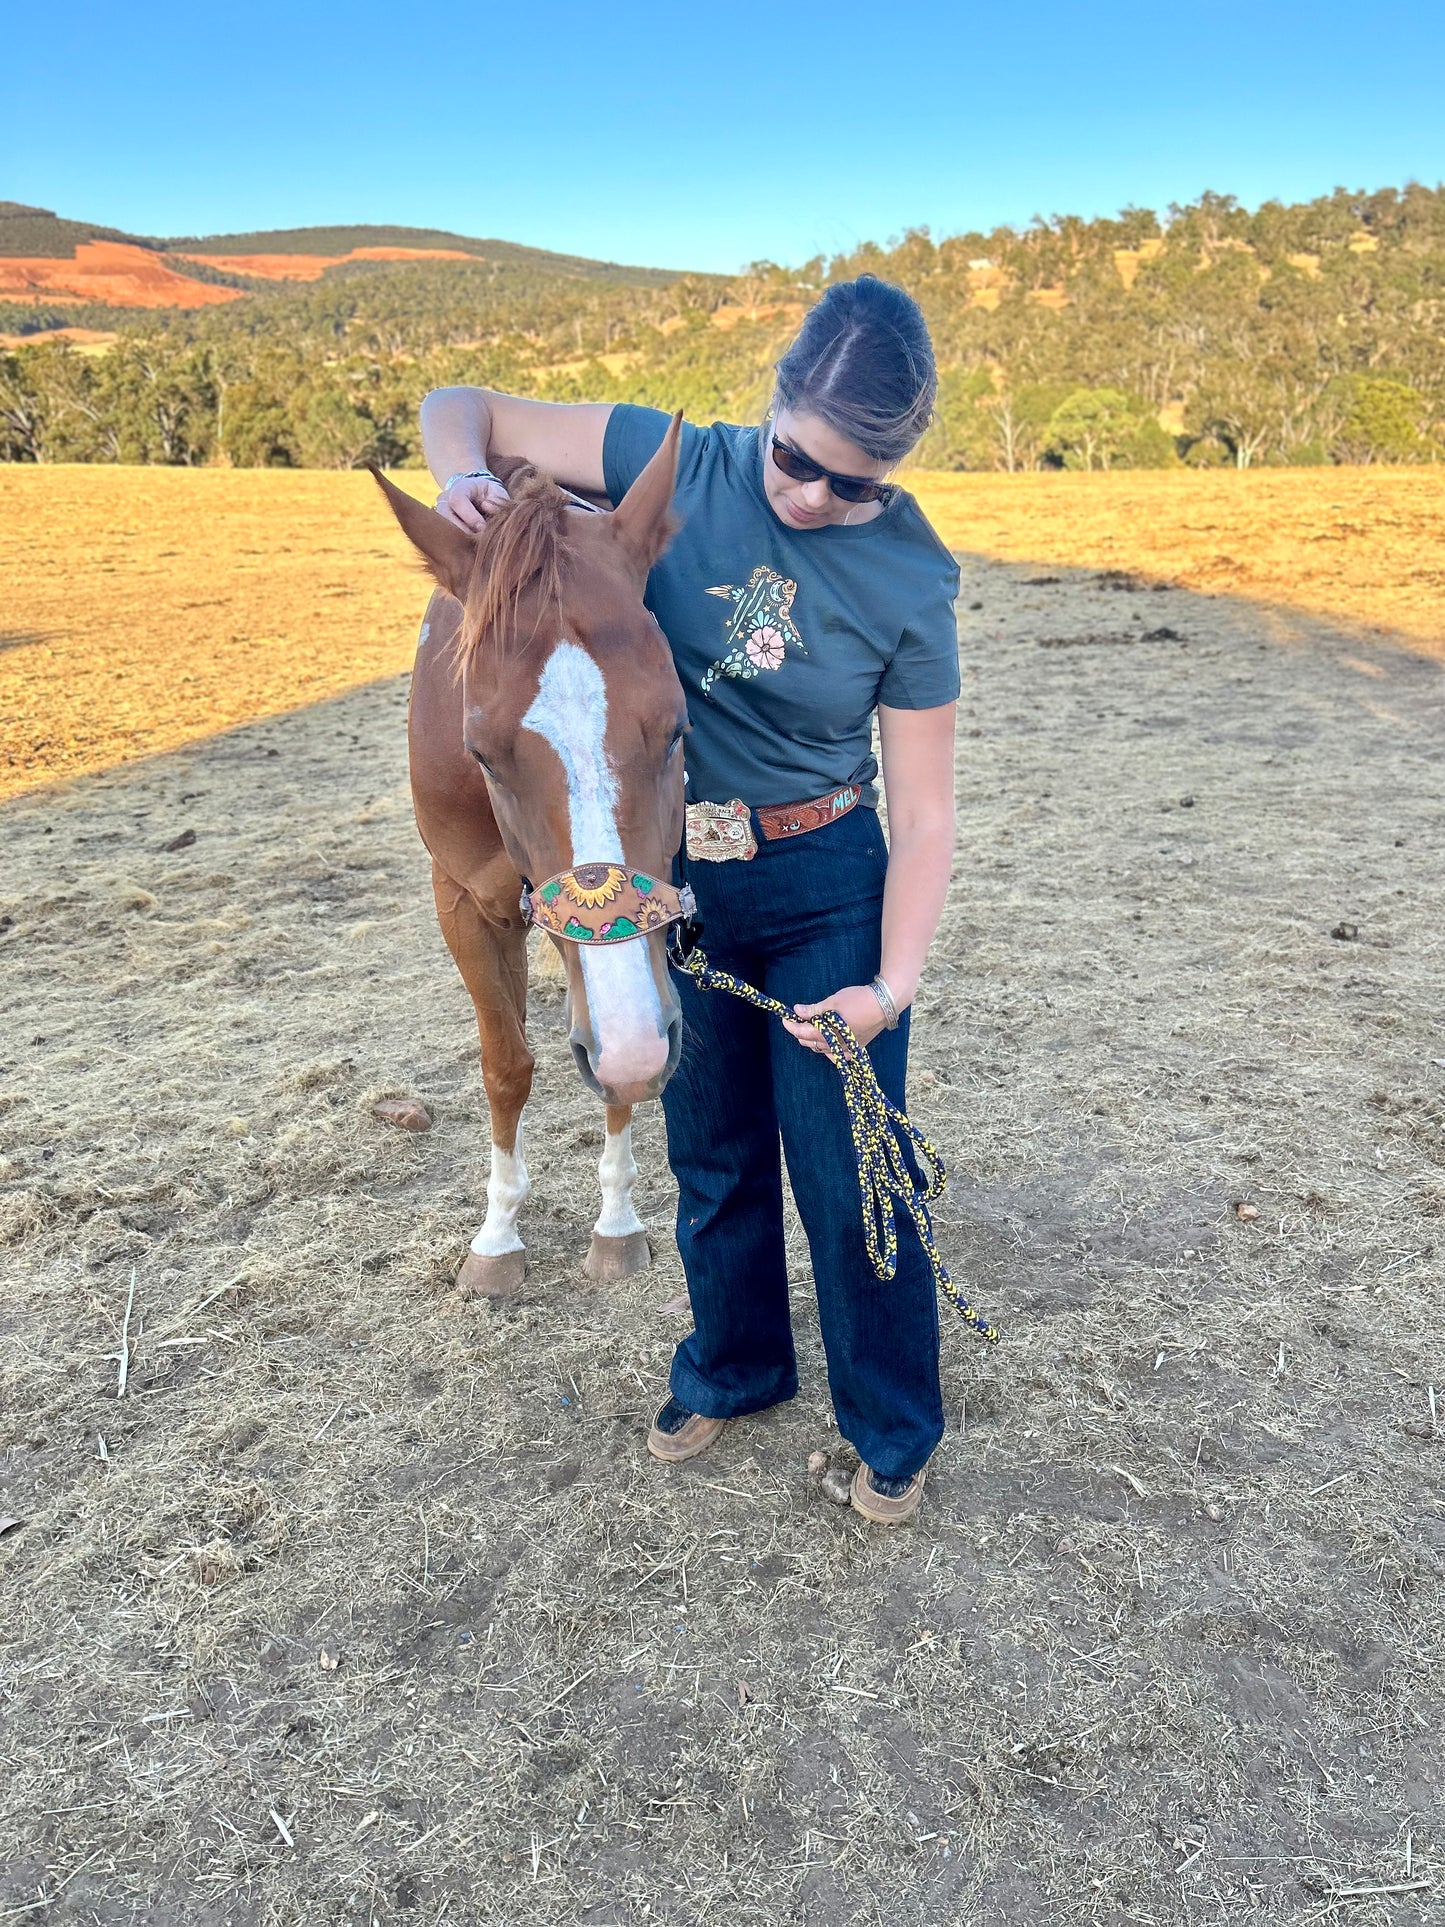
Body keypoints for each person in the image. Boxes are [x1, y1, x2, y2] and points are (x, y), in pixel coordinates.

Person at [420, 275, 960, 1524]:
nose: (816, 496)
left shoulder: (909, 576)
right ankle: (732, 1367)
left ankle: (890, 1423)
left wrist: (889, 983)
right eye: (800, 460)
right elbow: (466, 405)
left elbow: (925, 810)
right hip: (675, 872)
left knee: (850, 1165)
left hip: (826, 872)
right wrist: (458, 475)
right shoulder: (683, 461)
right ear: (766, 408)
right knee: (709, 1149)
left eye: (857, 484)